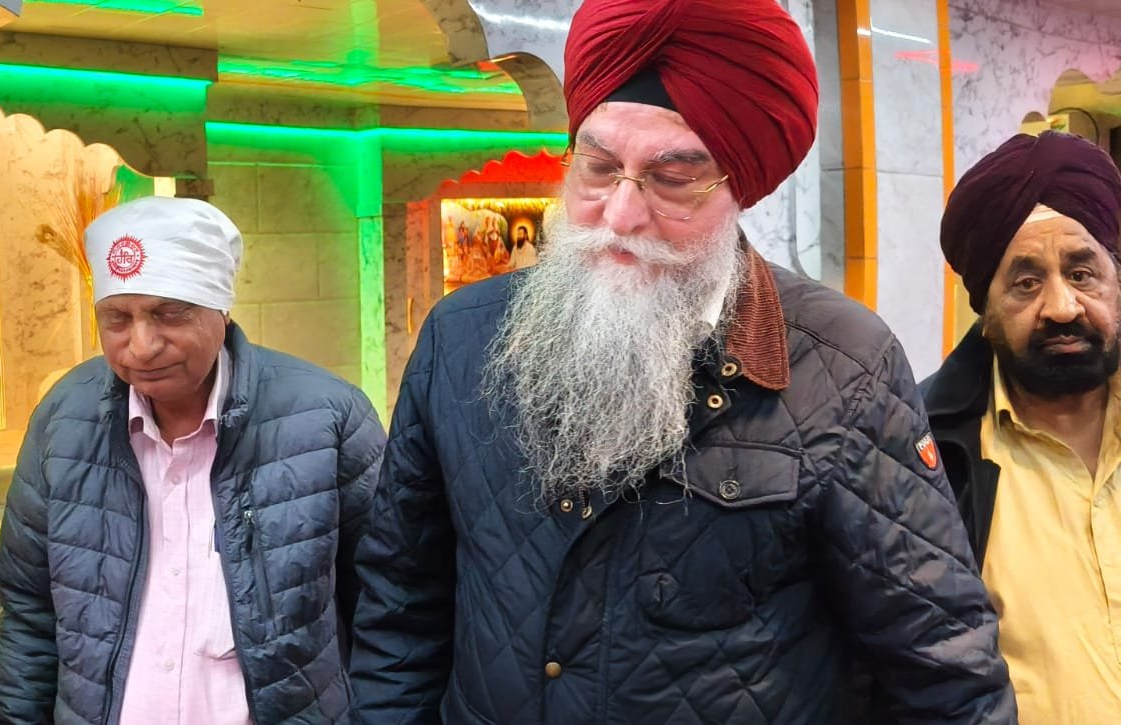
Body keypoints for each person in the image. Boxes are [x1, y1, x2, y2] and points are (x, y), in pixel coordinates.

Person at [348, 0, 1014, 722]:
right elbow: (401, 608)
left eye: (672, 178)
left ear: (740, 187)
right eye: (598, 168)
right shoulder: (459, 337)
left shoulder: (844, 365)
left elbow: (941, 670)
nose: (620, 216)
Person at [0, 196, 385, 723]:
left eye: (169, 314)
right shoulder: (65, 421)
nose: (142, 346)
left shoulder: (324, 419)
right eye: (117, 319)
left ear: (222, 309)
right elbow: (30, 618)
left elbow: (387, 603)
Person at [925, 131, 1121, 722]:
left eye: (1082, 273)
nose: (1062, 307)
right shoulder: (924, 456)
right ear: (984, 311)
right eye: (1026, 282)